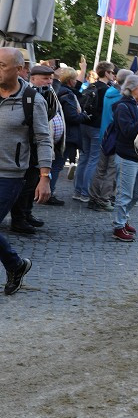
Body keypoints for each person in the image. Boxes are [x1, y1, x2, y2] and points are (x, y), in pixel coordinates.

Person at [0, 47, 53, 295]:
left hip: (10, 175)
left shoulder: (32, 100)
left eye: (2, 65)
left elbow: (44, 139)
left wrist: (44, 177)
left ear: (20, 69)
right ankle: (16, 264)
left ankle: (16, 264)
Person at [10, 64, 60, 234]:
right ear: (33, 78)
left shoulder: (47, 92)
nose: (49, 81)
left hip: (38, 145)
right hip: (25, 146)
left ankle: (27, 214)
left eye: (50, 78)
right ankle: (19, 219)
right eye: (45, 78)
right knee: (25, 185)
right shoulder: (27, 95)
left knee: (32, 183)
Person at [88, 67, 131, 212]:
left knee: (100, 169)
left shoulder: (109, 91)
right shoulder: (121, 97)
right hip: (115, 137)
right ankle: (104, 199)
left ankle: (93, 197)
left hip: (104, 134)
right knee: (111, 171)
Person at [111, 74, 138, 242]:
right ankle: (119, 226)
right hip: (126, 155)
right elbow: (127, 131)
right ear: (132, 87)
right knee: (124, 193)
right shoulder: (122, 107)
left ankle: (124, 219)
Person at [73, 60, 115, 202]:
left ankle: (77, 191)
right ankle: (86, 193)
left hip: (85, 123)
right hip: (96, 126)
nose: (114, 75)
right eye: (112, 72)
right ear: (107, 73)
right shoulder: (107, 90)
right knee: (93, 160)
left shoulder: (91, 85)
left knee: (83, 159)